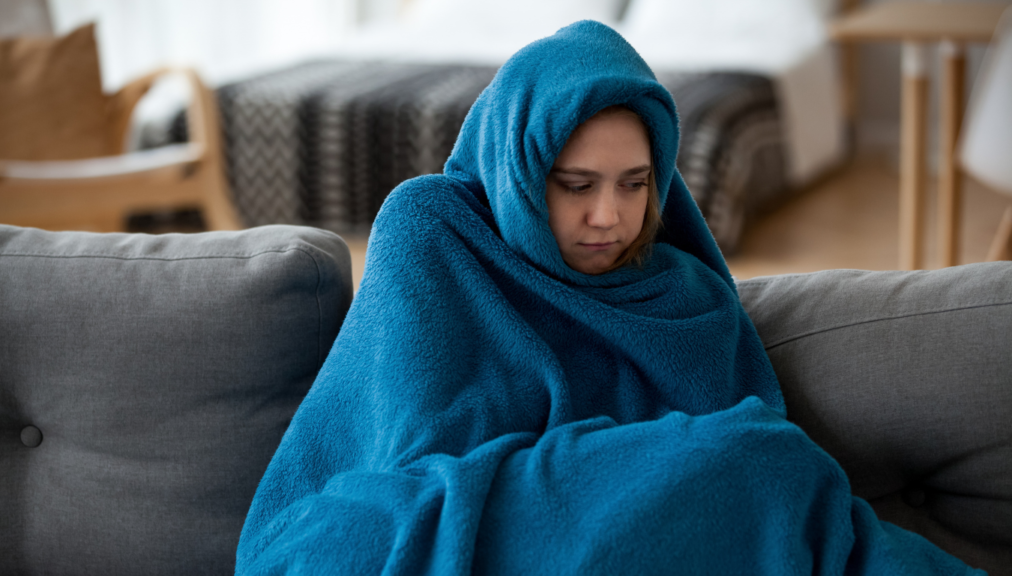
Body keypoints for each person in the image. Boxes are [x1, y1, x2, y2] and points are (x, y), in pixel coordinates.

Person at [235, 21, 983, 575]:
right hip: (457, 520)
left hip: (623, 533)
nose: (609, 218)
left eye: (634, 184)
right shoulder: (433, 231)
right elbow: (408, 463)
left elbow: (714, 475)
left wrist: (639, 474)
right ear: (521, 170)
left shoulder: (681, 293)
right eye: (576, 186)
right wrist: (590, 471)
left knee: (765, 463)